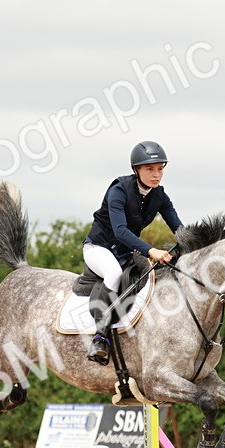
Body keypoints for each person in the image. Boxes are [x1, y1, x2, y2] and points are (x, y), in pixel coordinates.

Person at [81, 140, 183, 365]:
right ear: (136, 170)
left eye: (160, 169)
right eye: (150, 169)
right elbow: (120, 231)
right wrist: (150, 250)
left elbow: (178, 228)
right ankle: (100, 338)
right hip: (99, 248)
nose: (156, 175)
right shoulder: (119, 190)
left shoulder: (159, 196)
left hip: (127, 253)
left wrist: (195, 244)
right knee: (114, 274)